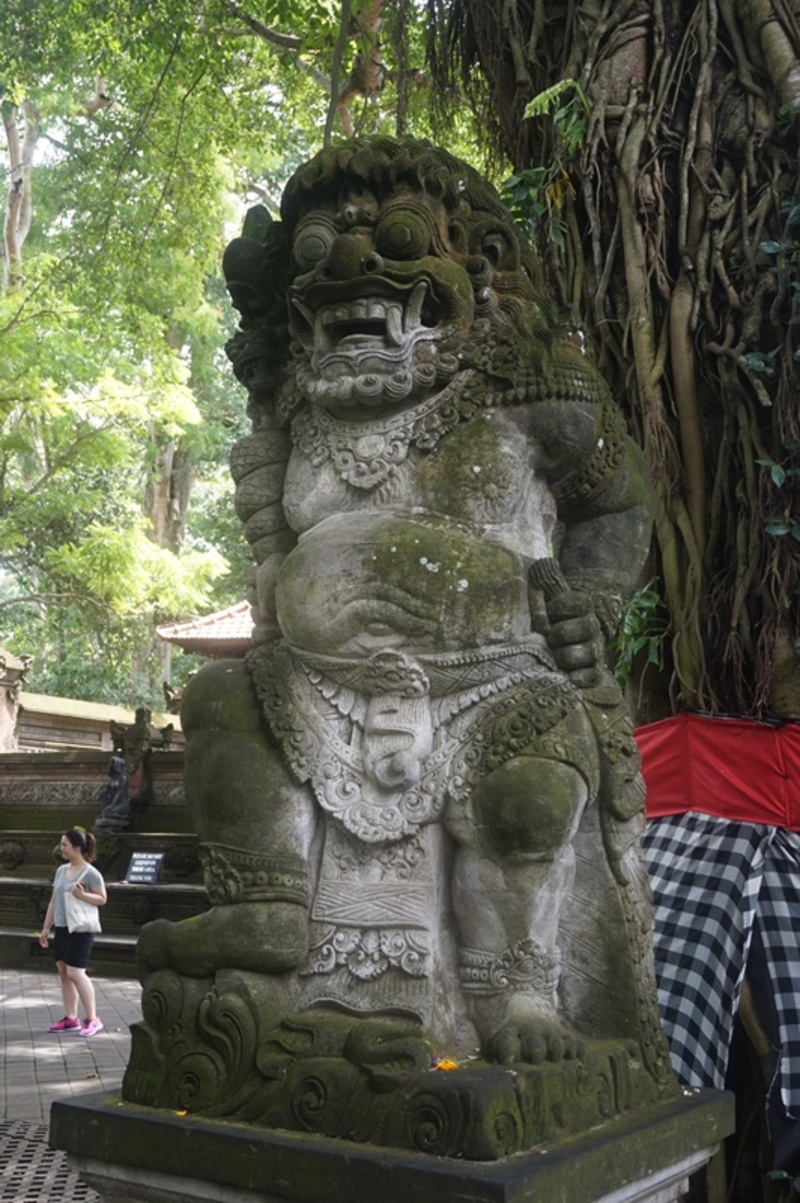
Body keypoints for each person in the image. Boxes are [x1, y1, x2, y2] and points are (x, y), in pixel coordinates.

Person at [38, 827, 107, 1036]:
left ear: (77, 847)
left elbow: (102, 898)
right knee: (63, 973)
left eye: (64, 845)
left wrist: (81, 895)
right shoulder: (61, 870)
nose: (62, 848)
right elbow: (53, 901)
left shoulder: (91, 873)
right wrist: (45, 928)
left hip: (81, 929)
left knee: (76, 972)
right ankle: (71, 1018)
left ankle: (93, 1018)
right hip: (62, 927)